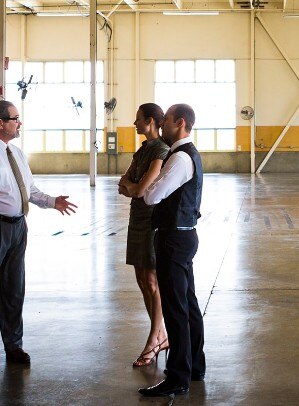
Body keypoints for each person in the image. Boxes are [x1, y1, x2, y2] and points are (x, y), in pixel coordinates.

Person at [0, 100, 78, 376]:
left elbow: (30, 190)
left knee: (14, 290)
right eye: (15, 119)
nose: (19, 123)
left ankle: (13, 346)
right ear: (0, 123)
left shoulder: (17, 154)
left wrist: (52, 201)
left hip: (17, 228)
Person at [122, 104, 205, 397]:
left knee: (175, 308)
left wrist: (145, 187)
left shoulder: (179, 158)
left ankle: (177, 376)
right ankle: (195, 366)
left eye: (166, 120)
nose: (163, 124)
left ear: (179, 123)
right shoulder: (185, 154)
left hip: (173, 239)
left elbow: (151, 195)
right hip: (182, 235)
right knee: (188, 304)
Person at [117, 103, 171, 367]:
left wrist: (132, 187)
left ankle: (154, 338)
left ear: (150, 121)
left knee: (151, 280)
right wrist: (132, 186)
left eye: (138, 119)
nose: (134, 123)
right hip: (136, 218)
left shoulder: (161, 150)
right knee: (141, 279)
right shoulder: (142, 150)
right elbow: (123, 184)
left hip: (151, 220)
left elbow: (140, 190)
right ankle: (161, 335)